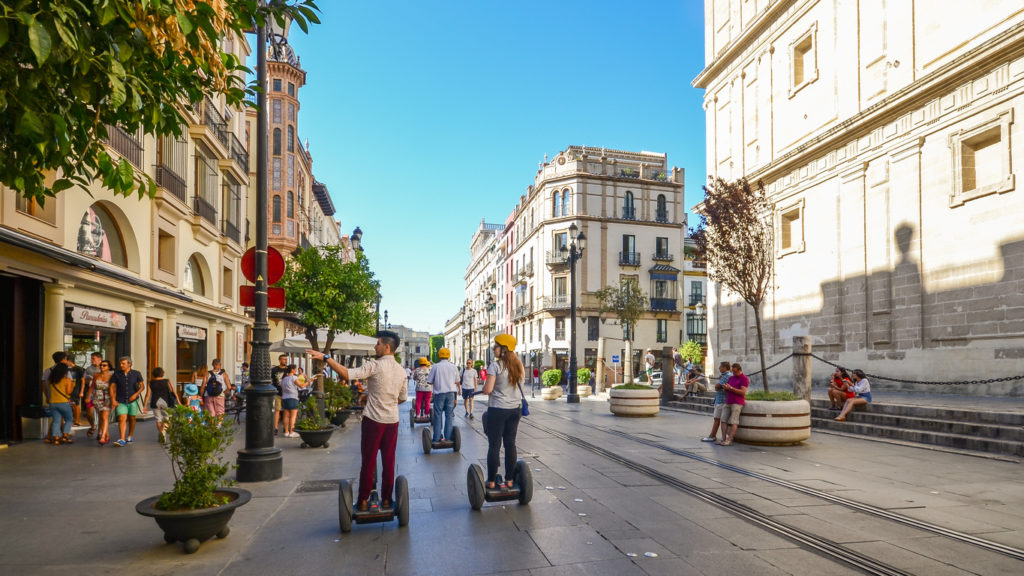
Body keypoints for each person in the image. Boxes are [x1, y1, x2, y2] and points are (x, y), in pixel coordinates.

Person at [308, 330, 407, 511]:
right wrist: (388, 401)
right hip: (392, 420)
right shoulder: (401, 370)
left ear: (386, 347)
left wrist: (326, 358)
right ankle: (386, 500)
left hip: (373, 420)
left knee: (368, 462)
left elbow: (347, 374)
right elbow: (402, 398)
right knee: (389, 461)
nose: (374, 346)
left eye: (377, 343)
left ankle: (362, 500)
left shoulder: (375, 366)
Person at [481, 334, 525, 489]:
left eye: (496, 346)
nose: (494, 348)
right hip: (515, 410)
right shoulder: (519, 365)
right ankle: (510, 480)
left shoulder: (495, 366)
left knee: (494, 445)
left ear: (504, 349)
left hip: (498, 409)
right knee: (510, 444)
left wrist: (483, 388)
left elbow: (488, 389)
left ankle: (492, 481)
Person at [109, 356, 145, 446]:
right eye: (120, 364)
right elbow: (112, 387)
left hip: (133, 400)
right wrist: (113, 399)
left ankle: (130, 435)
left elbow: (142, 386)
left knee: (132, 418)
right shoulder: (116, 374)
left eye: (123, 363)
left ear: (129, 364)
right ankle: (121, 439)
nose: (121, 365)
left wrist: (135, 395)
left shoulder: (136, 374)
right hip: (120, 400)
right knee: (122, 418)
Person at [428, 348, 460, 443]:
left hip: (439, 394)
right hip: (450, 394)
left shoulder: (435, 366)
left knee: (438, 415)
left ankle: (437, 438)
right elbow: (457, 381)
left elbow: (429, 381)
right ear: (449, 355)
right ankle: (448, 437)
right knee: (449, 415)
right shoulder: (453, 367)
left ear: (439, 355)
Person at [718, 363, 748, 446]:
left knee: (734, 421)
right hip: (728, 401)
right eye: (733, 372)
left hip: (737, 402)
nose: (734, 374)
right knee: (723, 420)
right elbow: (728, 389)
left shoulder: (744, 379)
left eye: (735, 372)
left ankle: (729, 439)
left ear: (739, 370)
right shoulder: (731, 378)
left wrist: (731, 388)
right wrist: (726, 388)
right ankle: (723, 438)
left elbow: (743, 392)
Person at [701, 362, 733, 442]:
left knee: (717, 419)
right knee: (719, 419)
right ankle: (720, 437)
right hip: (721, 399)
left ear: (725, 367)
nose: (719, 368)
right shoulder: (728, 375)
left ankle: (712, 436)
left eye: (720, 367)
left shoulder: (726, 375)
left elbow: (717, 386)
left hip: (721, 400)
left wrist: (717, 386)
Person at [45, 361, 75, 444]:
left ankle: (56, 438)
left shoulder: (51, 381)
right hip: (64, 402)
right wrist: (72, 385)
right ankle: (65, 436)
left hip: (53, 403)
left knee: (56, 420)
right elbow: (68, 392)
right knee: (69, 419)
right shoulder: (67, 380)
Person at [149, 367, 180, 443]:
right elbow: (173, 391)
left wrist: (144, 405)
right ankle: (163, 432)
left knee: (158, 419)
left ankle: (161, 434)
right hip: (166, 401)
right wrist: (179, 401)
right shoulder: (166, 381)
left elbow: (148, 394)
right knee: (167, 417)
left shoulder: (151, 382)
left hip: (155, 401)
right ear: (162, 373)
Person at [89, 359, 113, 445]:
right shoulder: (96, 375)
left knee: (104, 417)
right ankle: (107, 434)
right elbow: (92, 387)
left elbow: (114, 389)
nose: (102, 367)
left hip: (107, 397)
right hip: (97, 397)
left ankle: (103, 437)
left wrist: (114, 400)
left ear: (109, 367)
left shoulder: (111, 376)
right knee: (101, 417)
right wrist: (88, 397)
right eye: (101, 365)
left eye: (104, 365)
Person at [279, 364, 307, 437]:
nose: (296, 370)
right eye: (295, 369)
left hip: (285, 398)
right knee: (293, 416)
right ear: (292, 370)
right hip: (293, 397)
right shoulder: (294, 378)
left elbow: (282, 390)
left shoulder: (284, 379)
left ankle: (286, 431)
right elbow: (302, 386)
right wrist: (310, 381)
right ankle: (291, 432)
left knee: (286, 416)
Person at [83, 352, 103, 437]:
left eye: (93, 358)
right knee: (89, 413)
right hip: (91, 393)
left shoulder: (104, 368)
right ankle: (93, 425)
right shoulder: (88, 369)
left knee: (100, 414)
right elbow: (84, 380)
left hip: (101, 394)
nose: (91, 360)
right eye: (91, 358)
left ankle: (100, 432)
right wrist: (88, 380)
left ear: (100, 359)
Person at [271, 354, 288, 435]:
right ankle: (276, 428)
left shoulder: (288, 370)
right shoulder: (274, 370)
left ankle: (285, 428)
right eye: (284, 359)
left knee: (285, 411)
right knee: (277, 410)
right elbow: (270, 380)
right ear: (280, 360)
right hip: (277, 392)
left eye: (286, 359)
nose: (285, 361)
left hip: (286, 393)